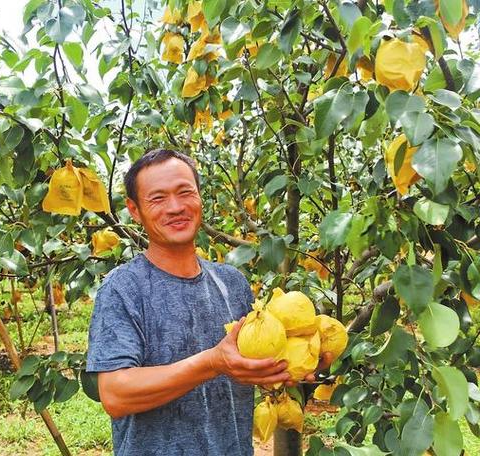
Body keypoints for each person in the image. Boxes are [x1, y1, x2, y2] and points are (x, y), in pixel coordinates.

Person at [86, 149, 326, 455]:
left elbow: (249, 363)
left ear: (200, 197)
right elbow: (116, 394)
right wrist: (212, 363)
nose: (175, 207)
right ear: (134, 210)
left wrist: (292, 362)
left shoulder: (233, 283)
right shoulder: (123, 288)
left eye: (185, 192)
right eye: (158, 198)